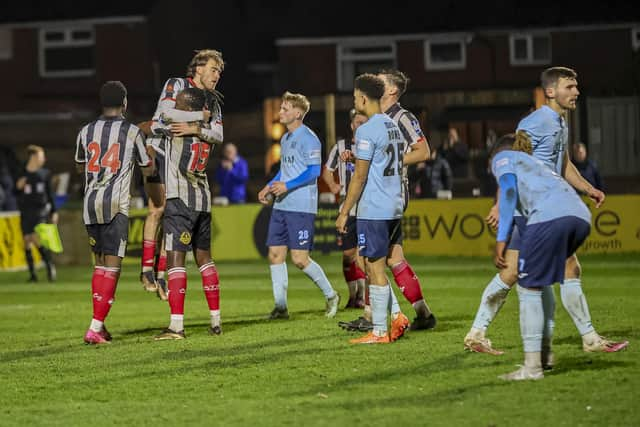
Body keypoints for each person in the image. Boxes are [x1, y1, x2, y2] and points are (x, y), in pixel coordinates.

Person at [464, 67, 628, 357]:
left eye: (576, 86)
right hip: (537, 207)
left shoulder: (560, 123)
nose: (576, 91)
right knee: (569, 267)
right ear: (551, 91)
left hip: (537, 206)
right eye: (570, 86)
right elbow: (511, 162)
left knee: (512, 272)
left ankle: (476, 333)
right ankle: (589, 338)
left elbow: (564, 166)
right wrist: (499, 202)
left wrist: (588, 188)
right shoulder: (535, 122)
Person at [489, 135, 627, 380]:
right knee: (549, 278)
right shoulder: (537, 165)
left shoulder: (503, 158)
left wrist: (502, 239)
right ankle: (549, 354)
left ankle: (532, 368)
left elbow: (509, 192)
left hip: (550, 218)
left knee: (528, 287)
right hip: (579, 216)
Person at [139, 49, 225, 300]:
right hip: (158, 148)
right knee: (158, 208)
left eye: (219, 71)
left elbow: (217, 135)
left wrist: (195, 128)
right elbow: (163, 115)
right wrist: (200, 117)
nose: (217, 74)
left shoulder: (213, 100)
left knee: (173, 215)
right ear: (198, 69)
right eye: (213, 68)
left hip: (181, 156)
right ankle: (146, 270)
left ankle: (163, 272)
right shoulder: (176, 84)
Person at [75, 81, 153, 344]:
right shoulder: (131, 132)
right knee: (113, 266)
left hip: (90, 203)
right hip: (115, 205)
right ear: (125, 103)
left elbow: (79, 168)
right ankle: (95, 327)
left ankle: (100, 324)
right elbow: (147, 167)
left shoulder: (85, 131)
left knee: (99, 265)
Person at [336, 73, 412, 344]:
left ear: (364, 98)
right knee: (373, 265)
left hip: (374, 209)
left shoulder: (367, 130)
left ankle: (380, 331)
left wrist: (344, 211)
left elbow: (359, 177)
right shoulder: (392, 126)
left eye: (356, 97)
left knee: (374, 269)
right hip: (393, 205)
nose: (355, 101)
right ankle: (396, 316)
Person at [258, 91, 340, 320]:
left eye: (285, 109)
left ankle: (331, 295)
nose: (280, 112)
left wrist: (287, 186)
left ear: (298, 113)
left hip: (301, 206)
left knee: (300, 259)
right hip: (281, 206)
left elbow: (314, 172)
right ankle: (281, 307)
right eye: (281, 108)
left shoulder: (309, 138)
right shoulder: (285, 139)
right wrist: (269, 186)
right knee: (275, 255)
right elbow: (284, 172)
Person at [154, 88, 223, 340]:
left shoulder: (175, 127)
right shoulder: (207, 134)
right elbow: (217, 134)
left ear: (188, 107)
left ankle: (176, 326)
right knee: (204, 258)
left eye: (180, 103)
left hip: (180, 201)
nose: (176, 105)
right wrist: (201, 120)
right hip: (202, 201)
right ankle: (215, 320)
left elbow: (157, 120)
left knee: (176, 260)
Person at [321, 108, 368, 308]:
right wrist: (332, 186)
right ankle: (353, 294)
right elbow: (327, 170)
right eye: (358, 122)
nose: (361, 126)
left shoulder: (372, 147)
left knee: (362, 254)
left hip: (368, 208)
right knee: (349, 254)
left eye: (365, 122)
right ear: (352, 125)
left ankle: (363, 297)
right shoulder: (340, 147)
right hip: (346, 209)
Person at [15, 145, 58, 282]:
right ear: (33, 157)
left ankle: (50, 266)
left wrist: (54, 211)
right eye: (41, 156)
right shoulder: (21, 173)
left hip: (40, 210)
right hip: (25, 211)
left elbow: (49, 193)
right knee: (27, 241)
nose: (43, 159)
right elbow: (15, 192)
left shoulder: (44, 173)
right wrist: (18, 187)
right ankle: (33, 274)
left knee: (34, 237)